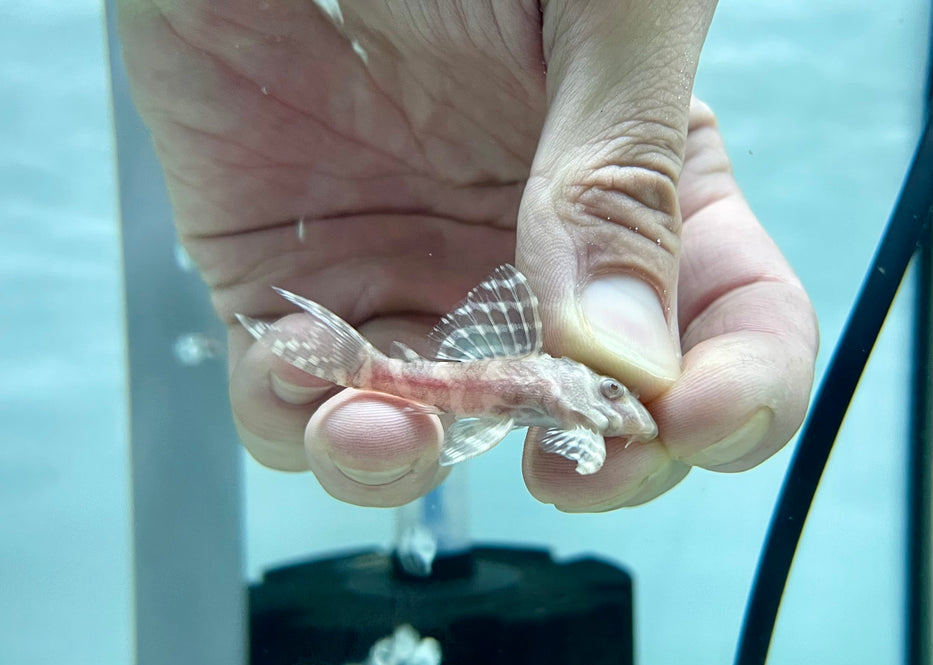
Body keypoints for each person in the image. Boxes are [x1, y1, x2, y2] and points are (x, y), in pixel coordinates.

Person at [115, 0, 818, 511]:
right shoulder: (567, 387)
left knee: (373, 427)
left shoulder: (566, 398)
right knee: (372, 427)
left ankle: (362, 370)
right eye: (607, 390)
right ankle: (363, 370)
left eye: (613, 393)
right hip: (473, 378)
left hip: (465, 379)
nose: (616, 397)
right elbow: (552, 397)